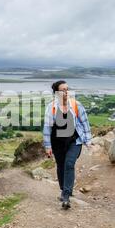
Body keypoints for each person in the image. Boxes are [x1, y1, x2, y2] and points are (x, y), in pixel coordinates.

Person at [43, 80, 92, 209]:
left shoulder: (76, 105)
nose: (66, 92)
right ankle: (64, 189)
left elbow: (84, 122)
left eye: (67, 89)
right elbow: (47, 127)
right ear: (57, 93)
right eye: (63, 90)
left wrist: (88, 140)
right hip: (57, 142)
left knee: (69, 164)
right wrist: (47, 146)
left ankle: (66, 196)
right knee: (60, 165)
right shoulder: (51, 107)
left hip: (74, 140)